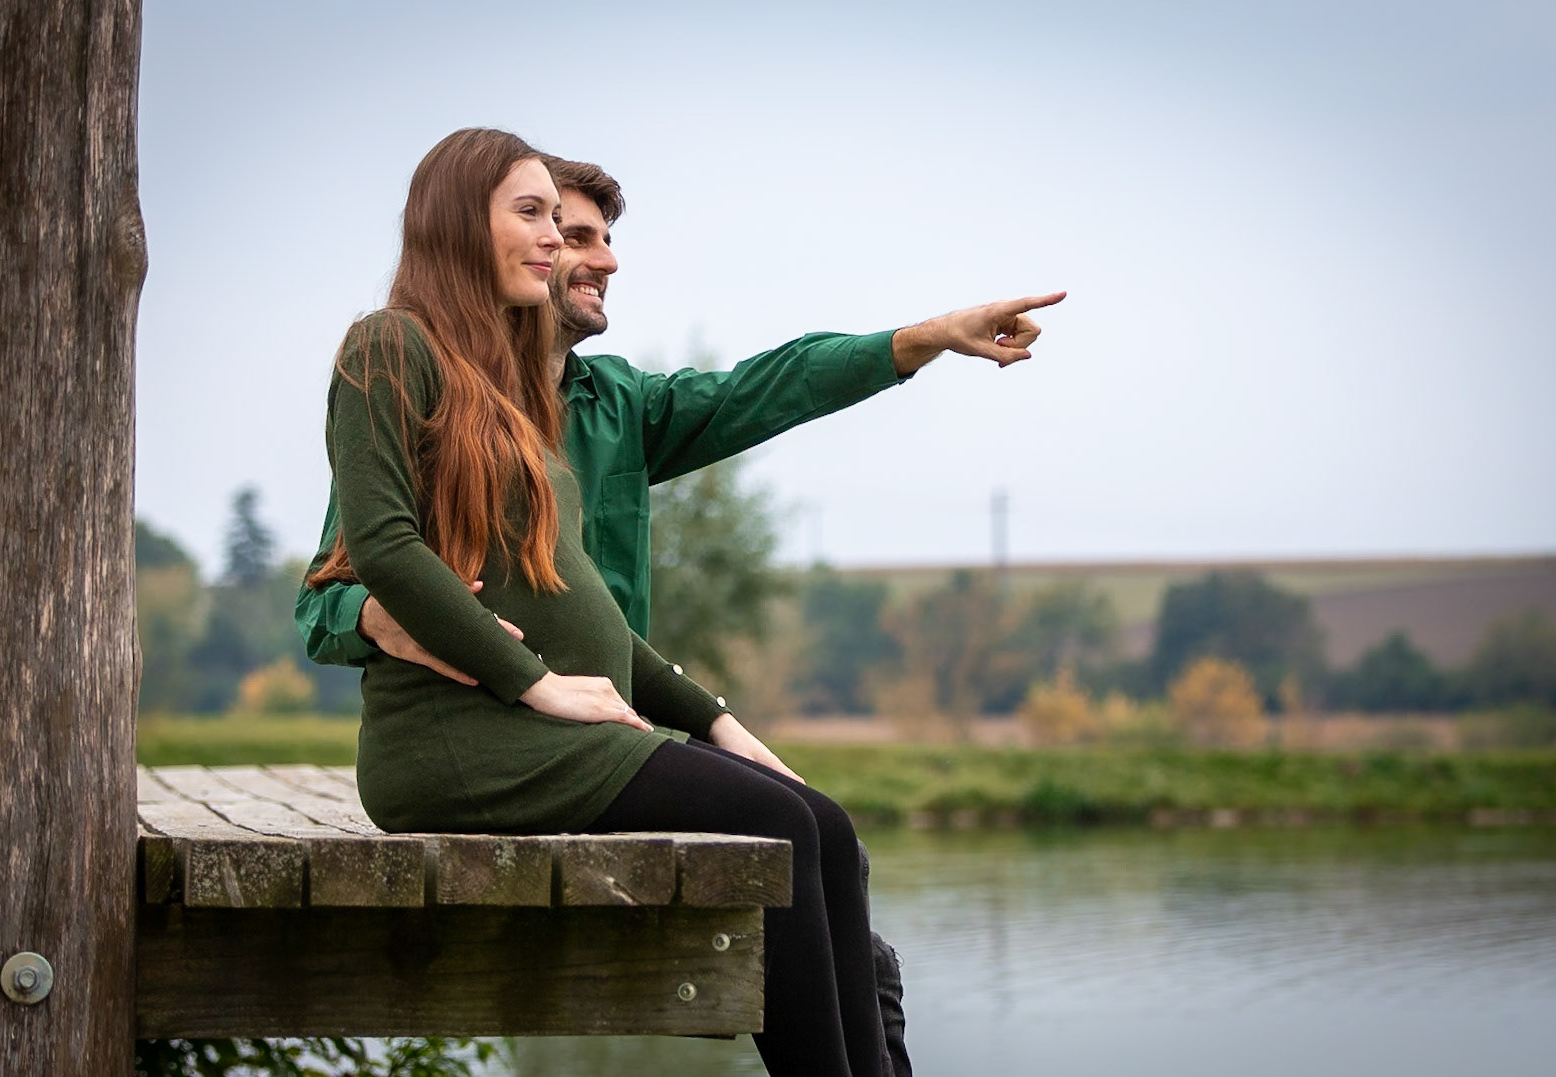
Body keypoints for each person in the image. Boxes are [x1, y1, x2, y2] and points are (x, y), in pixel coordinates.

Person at [302, 134, 1063, 1075]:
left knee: (827, 832)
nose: (584, 251)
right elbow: (366, 564)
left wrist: (715, 719)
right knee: (786, 833)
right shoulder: (395, 351)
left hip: (583, 721)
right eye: (547, 221)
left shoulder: (560, 402)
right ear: (462, 221)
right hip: (496, 734)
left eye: (577, 228)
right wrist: (505, 668)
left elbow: (763, 389)